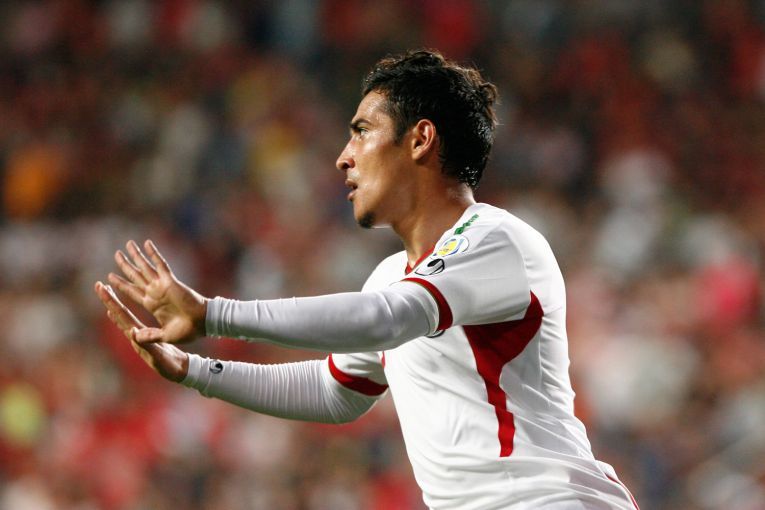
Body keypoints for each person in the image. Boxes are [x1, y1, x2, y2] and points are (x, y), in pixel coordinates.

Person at [95, 50, 639, 510]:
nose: (343, 158)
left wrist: (214, 314)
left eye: (361, 132)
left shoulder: (497, 240)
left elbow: (388, 320)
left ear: (420, 139)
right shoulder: (390, 278)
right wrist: (193, 370)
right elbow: (335, 392)